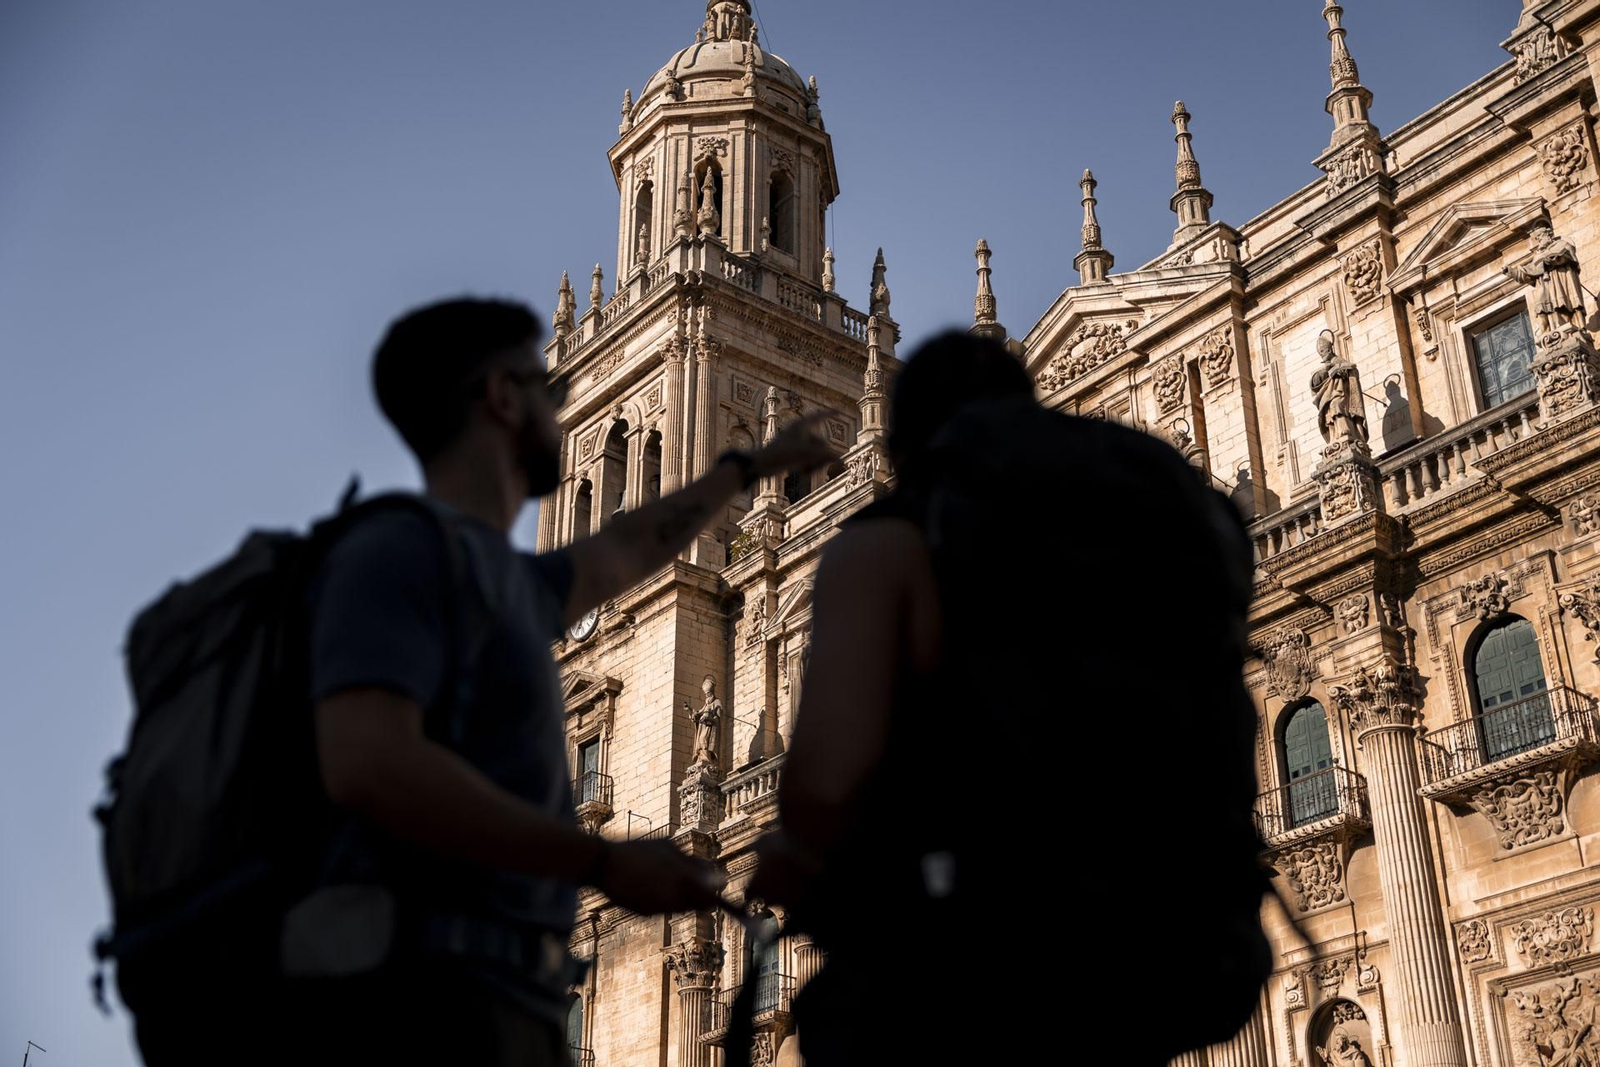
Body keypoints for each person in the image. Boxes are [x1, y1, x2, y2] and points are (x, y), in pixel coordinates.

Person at [130, 297, 833, 1065]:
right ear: (501, 396)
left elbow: (627, 547)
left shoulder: (503, 581)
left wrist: (748, 467)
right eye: (544, 381)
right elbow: (370, 761)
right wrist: (601, 861)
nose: (562, 400)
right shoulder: (394, 555)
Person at [747, 331, 1270, 1066]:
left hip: (980, 966)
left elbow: (822, 790)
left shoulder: (890, 539)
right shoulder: (1160, 500)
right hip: (1181, 954)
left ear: (896, 447)